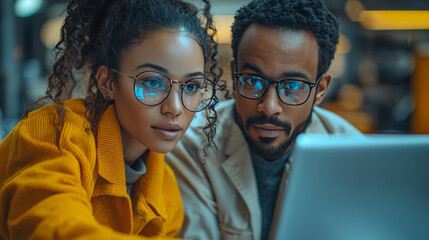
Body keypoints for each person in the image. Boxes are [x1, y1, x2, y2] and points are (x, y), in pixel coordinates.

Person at [0, 0, 221, 239]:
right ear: (107, 82)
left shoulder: (165, 189)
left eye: (191, 86)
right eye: (152, 82)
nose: (175, 108)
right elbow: (54, 228)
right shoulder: (54, 133)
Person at [166, 0, 362, 239]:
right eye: (252, 80)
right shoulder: (191, 149)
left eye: (292, 86)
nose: (269, 108)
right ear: (234, 75)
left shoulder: (354, 155)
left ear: (320, 90)